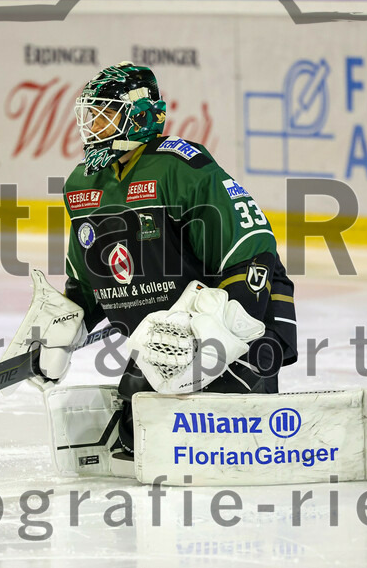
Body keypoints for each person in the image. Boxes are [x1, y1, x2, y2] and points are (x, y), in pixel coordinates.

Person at [47, 61, 298, 457]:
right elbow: (87, 286)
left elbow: (251, 256)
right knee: (136, 410)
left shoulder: (180, 167)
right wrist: (59, 327)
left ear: (139, 117)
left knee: (217, 414)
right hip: (170, 338)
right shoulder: (82, 185)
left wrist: (216, 336)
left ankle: (251, 398)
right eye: (91, 114)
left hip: (243, 321)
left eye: (106, 113)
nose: (93, 124)